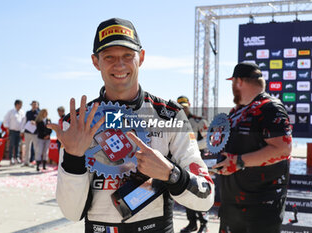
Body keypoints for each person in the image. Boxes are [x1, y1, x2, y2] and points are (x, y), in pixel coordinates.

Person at [48, 18, 214, 232]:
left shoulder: (170, 116)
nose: (120, 65)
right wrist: (73, 158)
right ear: (95, 61)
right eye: (109, 57)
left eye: (128, 55)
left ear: (141, 57)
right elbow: (71, 213)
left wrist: (170, 173)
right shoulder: (79, 123)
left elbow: (206, 197)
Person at [212, 62, 292, 233]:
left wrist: (239, 162)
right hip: (232, 208)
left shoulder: (270, 107)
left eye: (233, 83)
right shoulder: (236, 112)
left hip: (260, 210)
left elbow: (283, 150)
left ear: (239, 82)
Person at [177, 96, 209, 233]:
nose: (183, 109)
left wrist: (192, 146)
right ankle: (192, 223)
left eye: (185, 106)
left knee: (200, 192)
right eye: (180, 107)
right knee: (187, 193)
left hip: (197, 162)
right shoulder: (174, 122)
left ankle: (204, 224)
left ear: (189, 105)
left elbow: (209, 141)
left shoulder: (199, 121)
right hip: (182, 163)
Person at [3, 99, 26, 165]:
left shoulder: (22, 112)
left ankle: (17, 157)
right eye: (20, 104)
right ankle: (11, 158)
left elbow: (23, 122)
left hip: (19, 131)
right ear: (16, 104)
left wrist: (22, 131)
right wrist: (7, 127)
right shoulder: (11, 112)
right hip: (12, 130)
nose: (21, 106)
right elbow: (5, 119)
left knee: (18, 145)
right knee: (11, 145)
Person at [23, 100, 40, 166]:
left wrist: (36, 123)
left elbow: (41, 122)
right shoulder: (28, 112)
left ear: (37, 105)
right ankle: (26, 162)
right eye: (33, 104)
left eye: (35, 104)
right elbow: (25, 121)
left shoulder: (39, 113)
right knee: (27, 148)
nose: (34, 106)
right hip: (27, 132)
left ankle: (36, 162)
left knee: (36, 148)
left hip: (35, 133)